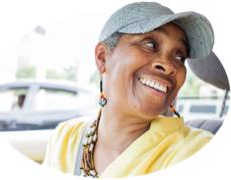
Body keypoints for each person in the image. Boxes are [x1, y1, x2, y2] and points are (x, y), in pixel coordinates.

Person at [43, 2, 215, 178]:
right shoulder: (64, 138)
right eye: (149, 45)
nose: (169, 65)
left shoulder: (198, 150)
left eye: (179, 56)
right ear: (102, 58)